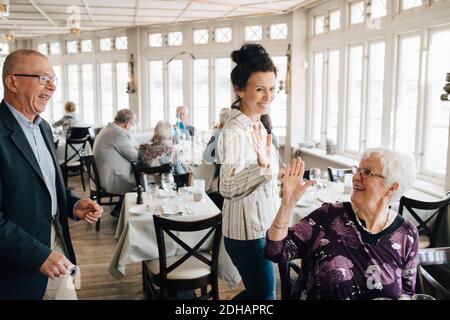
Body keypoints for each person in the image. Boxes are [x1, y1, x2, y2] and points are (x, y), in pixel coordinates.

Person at [0, 49, 103, 300]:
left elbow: (46, 185)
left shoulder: (44, 127)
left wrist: (73, 204)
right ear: (12, 82)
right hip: (14, 264)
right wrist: (37, 255)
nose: (53, 87)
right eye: (43, 78)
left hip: (56, 244)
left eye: (53, 79)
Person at [265, 148, 419, 300]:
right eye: (358, 170)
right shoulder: (327, 216)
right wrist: (288, 203)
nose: (356, 177)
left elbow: (407, 290)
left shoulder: (407, 234)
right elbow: (275, 250)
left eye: (367, 172)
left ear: (391, 188)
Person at [217, 43, 280, 300]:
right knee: (263, 296)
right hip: (247, 234)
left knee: (261, 294)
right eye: (260, 89)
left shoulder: (257, 124)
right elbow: (227, 186)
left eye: (273, 89)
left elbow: (262, 175)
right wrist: (263, 169)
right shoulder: (234, 131)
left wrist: (279, 175)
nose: (268, 96)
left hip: (264, 226)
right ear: (239, 90)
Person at [92, 109, 138, 196]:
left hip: (101, 177)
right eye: (132, 123)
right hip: (113, 180)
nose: (132, 126)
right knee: (144, 180)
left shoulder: (108, 129)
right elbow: (135, 157)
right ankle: (132, 207)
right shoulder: (119, 133)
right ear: (127, 123)